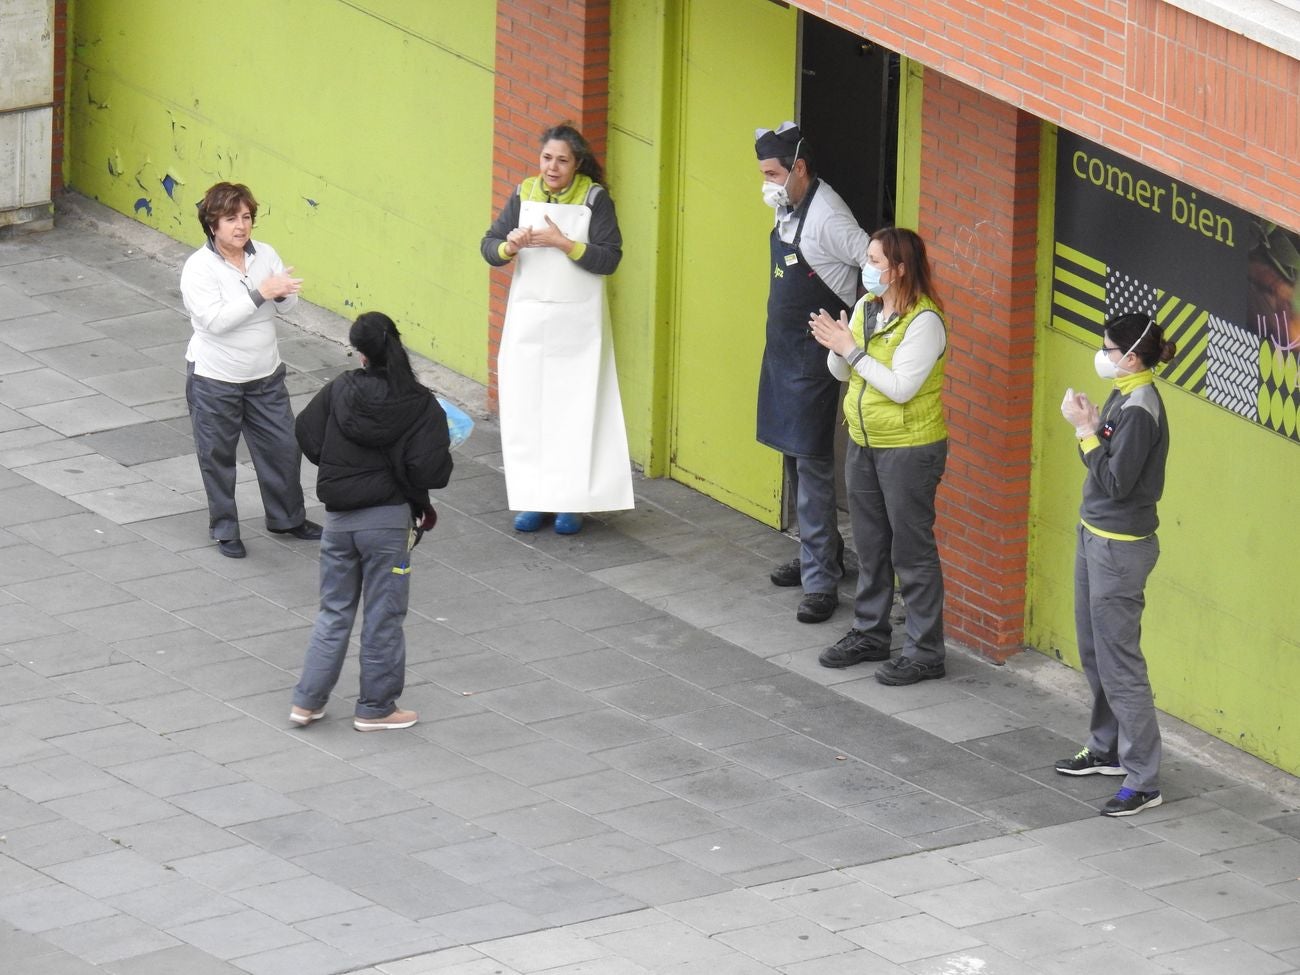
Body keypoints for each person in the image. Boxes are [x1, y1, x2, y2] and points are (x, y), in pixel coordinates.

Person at [290, 312, 453, 732]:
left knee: (333, 611)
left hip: (339, 522)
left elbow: (306, 434)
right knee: (383, 615)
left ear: (359, 352)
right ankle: (376, 708)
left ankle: (306, 702)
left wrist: (341, 460)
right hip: (387, 525)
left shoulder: (340, 389)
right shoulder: (420, 402)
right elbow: (430, 471)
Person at [808, 227, 949, 684]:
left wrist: (850, 349)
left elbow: (902, 388)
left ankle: (925, 652)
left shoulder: (924, 322)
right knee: (870, 545)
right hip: (864, 441)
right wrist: (837, 346)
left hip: (909, 449)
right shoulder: (868, 308)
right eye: (867, 258)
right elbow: (842, 372)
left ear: (900, 269)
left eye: (875, 260)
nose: (867, 267)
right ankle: (870, 632)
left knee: (912, 552)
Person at [480, 122, 633, 535]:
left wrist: (563, 242)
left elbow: (609, 258)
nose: (552, 167)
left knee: (573, 412)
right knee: (529, 411)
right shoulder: (523, 193)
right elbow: (489, 246)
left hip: (578, 327)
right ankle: (535, 499)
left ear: (576, 163)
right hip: (529, 323)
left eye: (562, 160)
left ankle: (571, 503)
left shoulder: (595, 199)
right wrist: (509, 247)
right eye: (547, 158)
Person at [1056, 312, 1176, 816]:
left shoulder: (1141, 406)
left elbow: (1117, 481)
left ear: (1129, 356)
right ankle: (1106, 748)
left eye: (1107, 348)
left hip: (1119, 549)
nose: (1101, 354)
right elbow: (1109, 457)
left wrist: (1084, 431)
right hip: (1094, 535)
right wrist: (1092, 424)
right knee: (1094, 650)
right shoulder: (1124, 391)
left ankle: (1144, 778)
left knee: (1121, 663)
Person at [755, 122, 869, 623]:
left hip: (813, 357)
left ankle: (822, 582)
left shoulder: (827, 218)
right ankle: (816, 556)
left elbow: (876, 267)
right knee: (793, 458)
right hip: (782, 350)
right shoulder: (791, 205)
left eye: (774, 173)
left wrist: (857, 334)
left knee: (814, 464)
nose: (767, 183)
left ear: (799, 169)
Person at [180, 181, 321, 559]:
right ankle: (225, 528)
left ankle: (288, 518)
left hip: (265, 376)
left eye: (246, 217)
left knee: (283, 449)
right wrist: (261, 293)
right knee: (217, 456)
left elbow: (286, 309)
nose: (241, 226)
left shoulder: (266, 255)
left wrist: (284, 292)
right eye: (230, 219)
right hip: (216, 379)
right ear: (213, 225)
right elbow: (215, 322)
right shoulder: (199, 268)